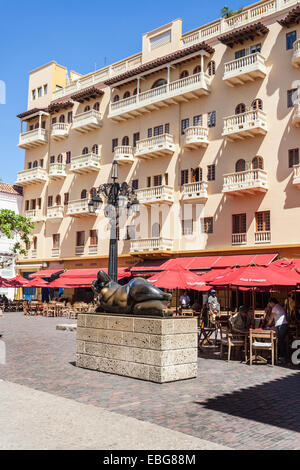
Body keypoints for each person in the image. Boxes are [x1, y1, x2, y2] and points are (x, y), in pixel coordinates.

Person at [266, 298, 288, 363]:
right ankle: (278, 355)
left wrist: (267, 325)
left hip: (281, 325)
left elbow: (271, 319)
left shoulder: (275, 308)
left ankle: (282, 357)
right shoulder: (279, 306)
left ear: (272, 302)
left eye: (269, 303)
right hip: (284, 325)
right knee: (280, 340)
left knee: (280, 340)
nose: (269, 305)